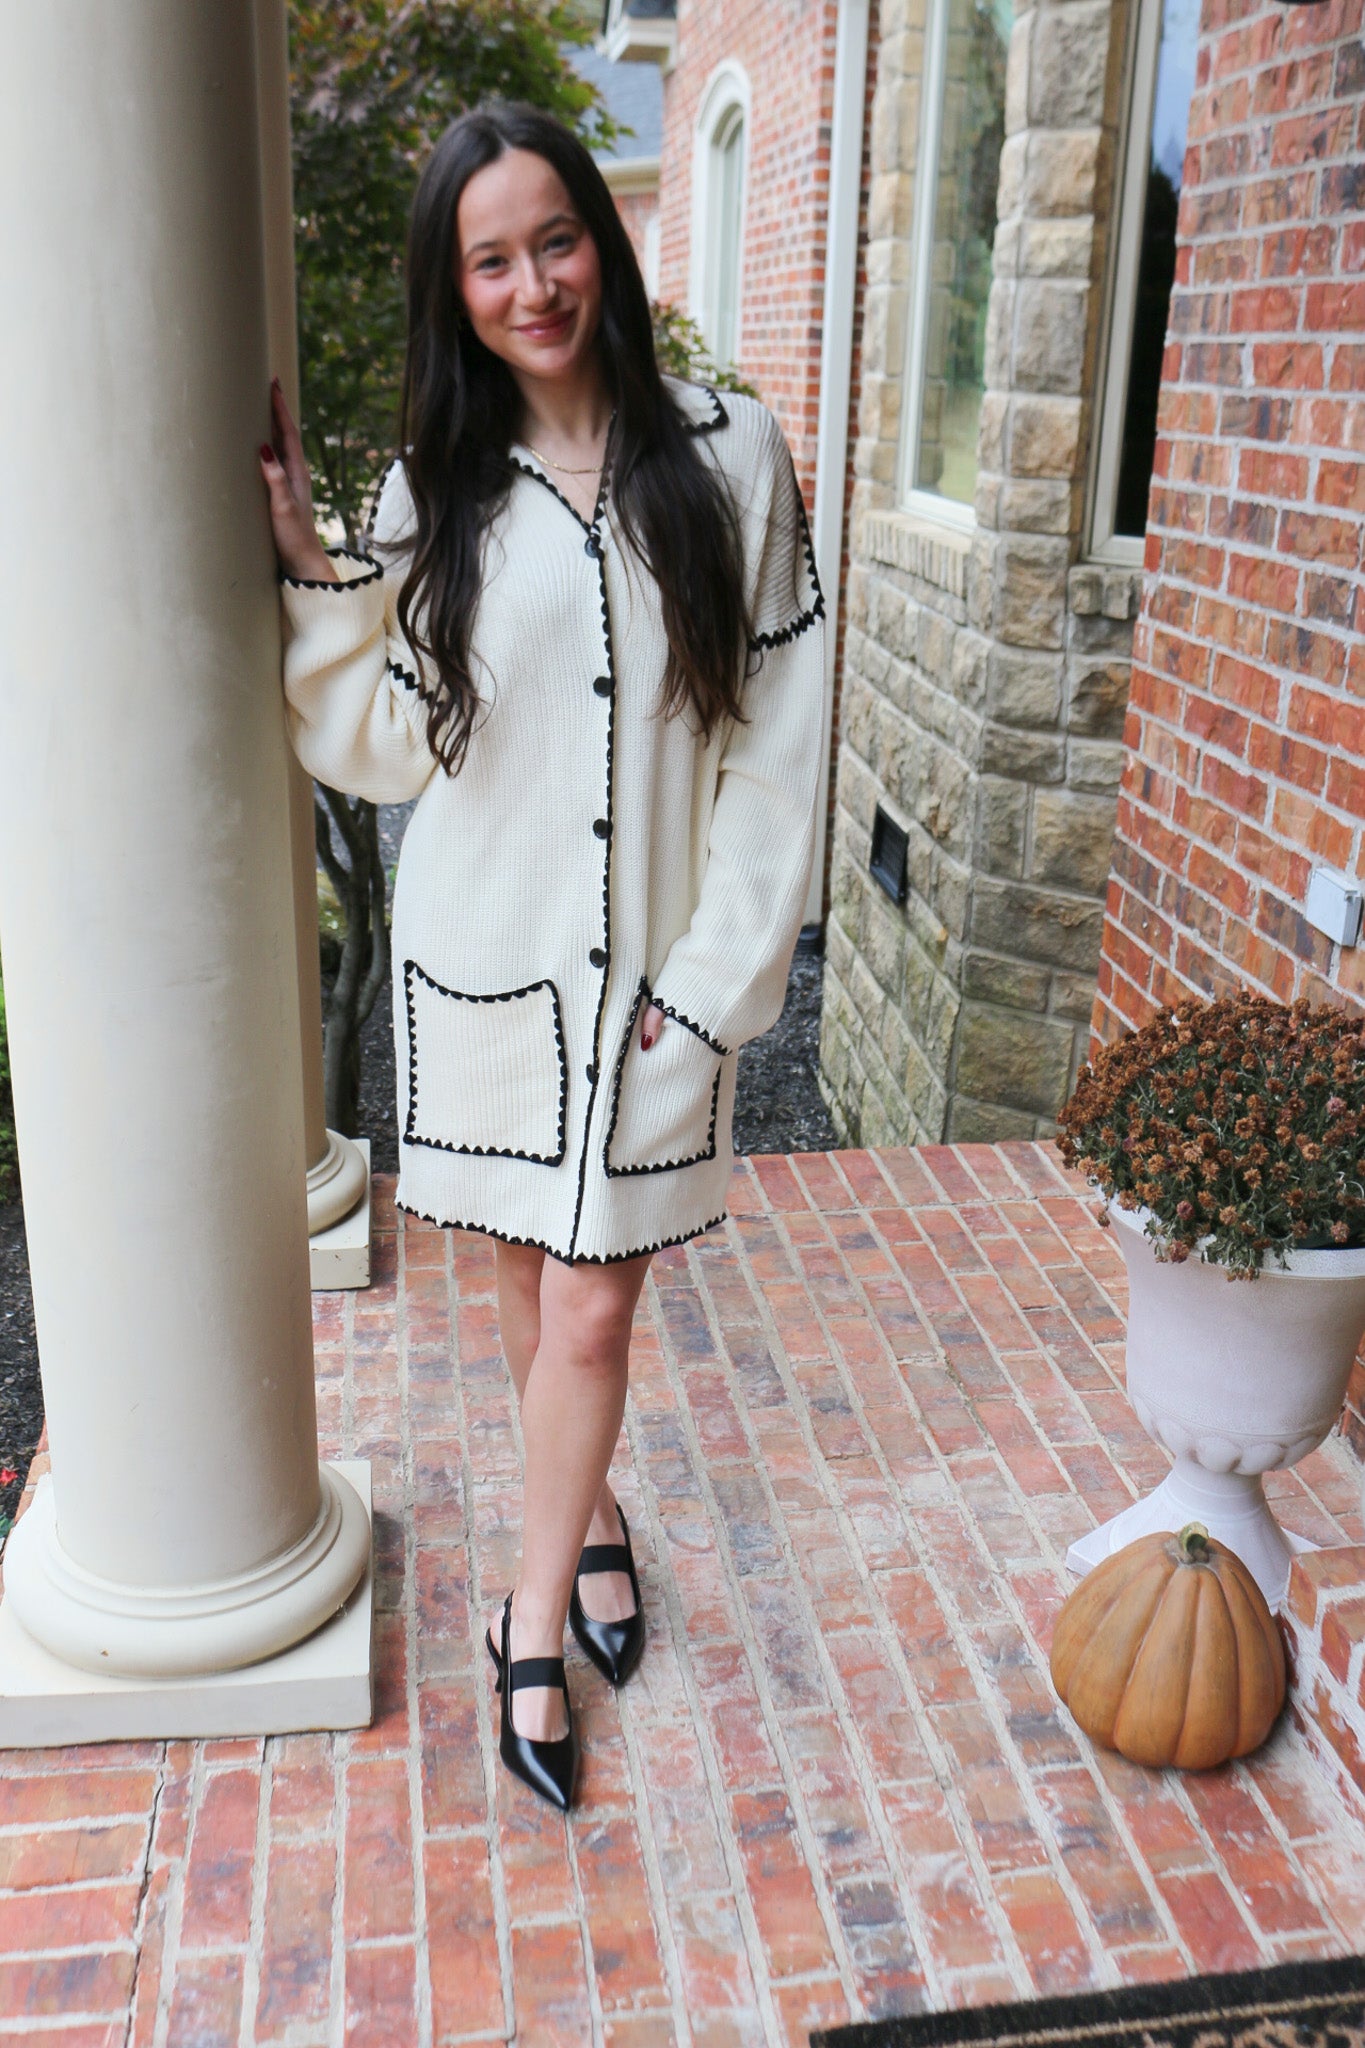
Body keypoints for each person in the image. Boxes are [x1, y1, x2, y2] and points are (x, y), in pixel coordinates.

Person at [261, 99, 826, 1812]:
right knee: (529, 1288)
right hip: (483, 970)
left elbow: (776, 745)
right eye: (490, 260)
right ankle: (582, 1526)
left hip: (656, 990)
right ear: (456, 289)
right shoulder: (433, 489)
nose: (533, 286)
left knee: (587, 1309)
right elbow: (397, 743)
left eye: (555, 240)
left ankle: (523, 1623)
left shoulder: (732, 456)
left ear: (605, 239)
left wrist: (711, 991)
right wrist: (318, 574)